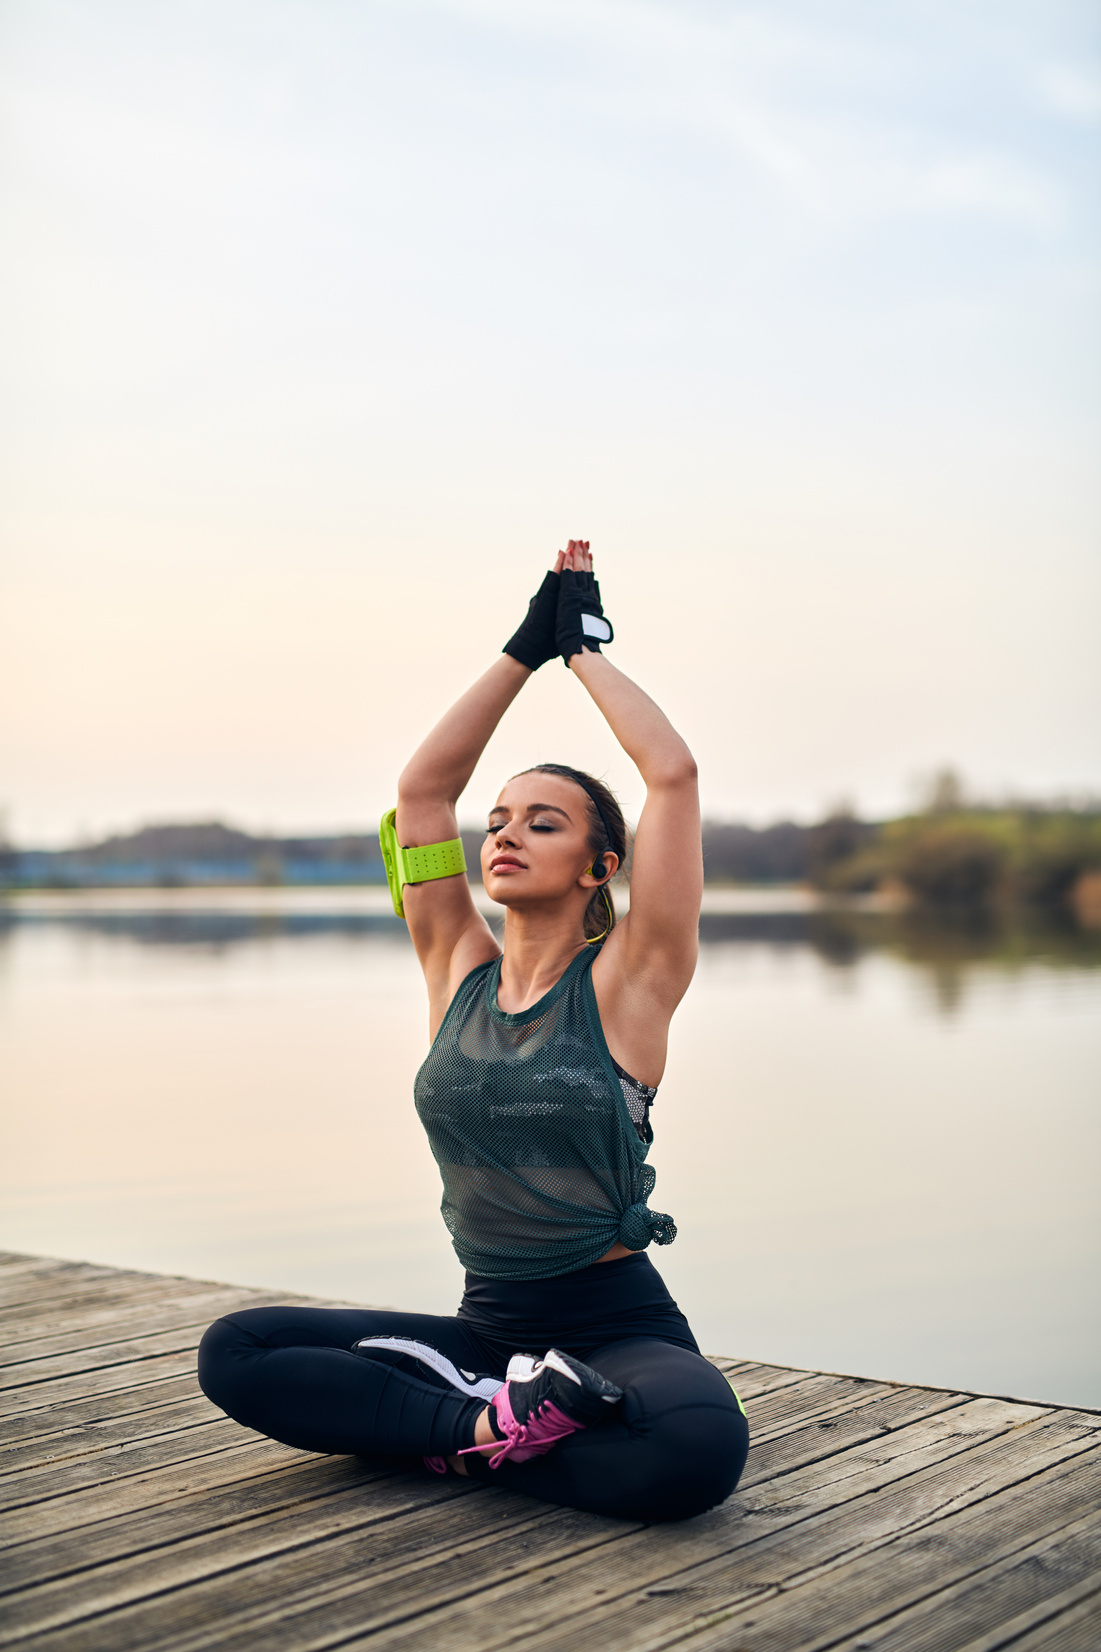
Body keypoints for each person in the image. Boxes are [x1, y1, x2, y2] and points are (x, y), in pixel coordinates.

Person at [198, 541, 748, 1522]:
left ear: (599, 865)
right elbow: (420, 793)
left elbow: (673, 772)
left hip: (617, 1326)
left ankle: (448, 1430)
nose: (502, 833)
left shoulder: (631, 982)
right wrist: (519, 648)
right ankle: (491, 1426)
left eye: (543, 822)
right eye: (498, 818)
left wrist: (579, 649)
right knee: (237, 1350)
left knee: (697, 1450)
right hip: (488, 1327)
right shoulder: (454, 963)